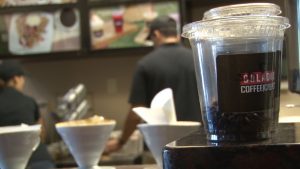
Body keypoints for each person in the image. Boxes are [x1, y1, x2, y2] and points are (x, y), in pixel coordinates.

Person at [105, 16, 202, 153]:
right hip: (196, 143)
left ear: (156, 34)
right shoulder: (197, 58)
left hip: (158, 146)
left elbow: (136, 112)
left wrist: (121, 141)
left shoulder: (146, 65)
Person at [0, 60, 55, 169]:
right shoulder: (29, 101)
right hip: (39, 160)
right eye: (22, 78)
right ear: (16, 79)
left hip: (6, 162)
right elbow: (41, 133)